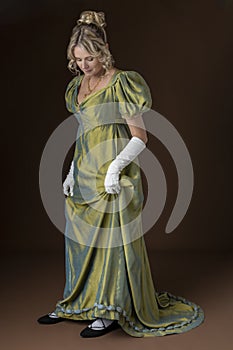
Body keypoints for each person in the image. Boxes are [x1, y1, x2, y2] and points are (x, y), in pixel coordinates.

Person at [37, 10, 204, 338]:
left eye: (89, 58)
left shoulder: (122, 83)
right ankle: (78, 303)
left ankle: (109, 311)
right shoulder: (78, 86)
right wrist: (71, 170)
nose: (84, 66)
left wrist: (115, 168)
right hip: (85, 172)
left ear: (104, 50)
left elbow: (140, 137)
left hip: (115, 175)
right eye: (78, 60)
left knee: (113, 244)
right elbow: (83, 132)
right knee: (80, 242)